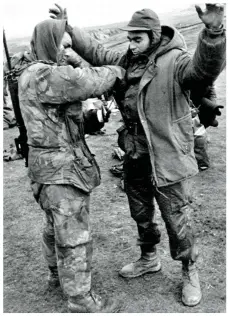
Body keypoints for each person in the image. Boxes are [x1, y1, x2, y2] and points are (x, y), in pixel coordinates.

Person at [49, 3, 226, 307]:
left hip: (168, 156)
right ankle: (149, 257)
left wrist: (214, 31)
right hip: (135, 153)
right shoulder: (127, 60)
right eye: (129, 38)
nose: (131, 44)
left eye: (137, 38)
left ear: (154, 36)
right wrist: (69, 27)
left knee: (178, 218)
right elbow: (95, 51)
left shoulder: (176, 62)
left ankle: (189, 270)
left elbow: (205, 69)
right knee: (140, 212)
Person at [13, 18, 125, 313]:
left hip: (47, 168)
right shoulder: (42, 74)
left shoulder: (31, 73)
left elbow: (56, 124)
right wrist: (117, 70)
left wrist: (89, 121)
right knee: (74, 236)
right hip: (61, 172)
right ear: (49, 42)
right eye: (63, 45)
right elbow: (85, 82)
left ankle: (55, 276)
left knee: (54, 229)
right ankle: (80, 300)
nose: (66, 51)